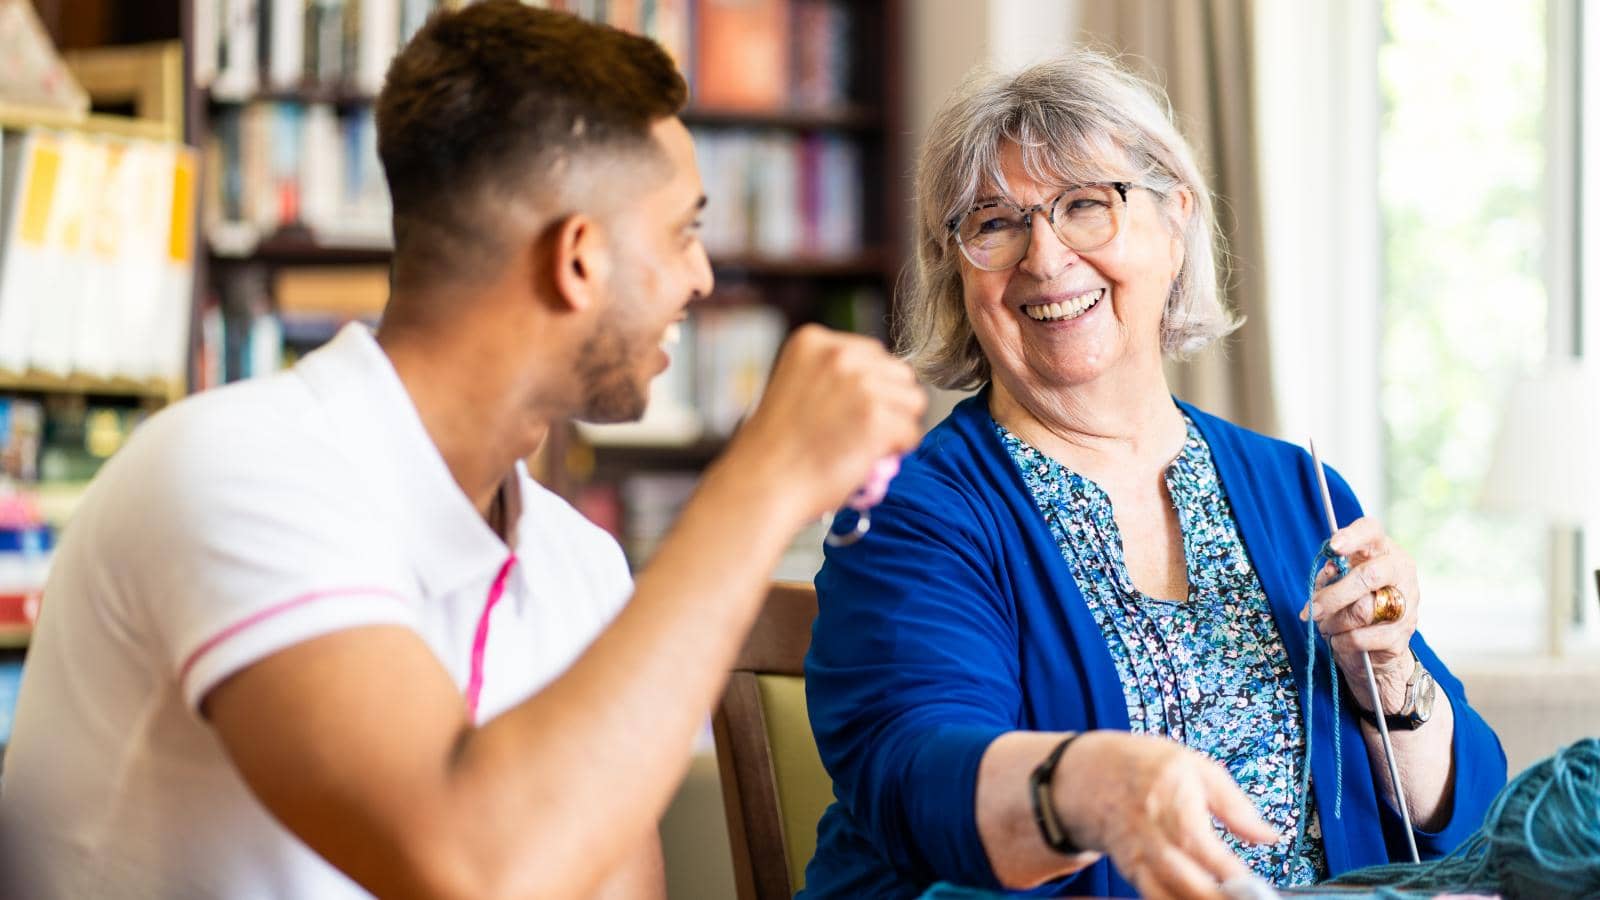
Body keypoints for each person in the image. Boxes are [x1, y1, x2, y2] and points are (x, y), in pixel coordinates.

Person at [0, 4, 926, 898]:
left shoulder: (580, 565)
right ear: (578, 259)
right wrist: (763, 483)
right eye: (684, 229)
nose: (702, 275)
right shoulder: (233, 469)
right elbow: (466, 864)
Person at [801, 51, 1506, 900]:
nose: (1047, 259)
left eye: (1086, 206)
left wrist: (1386, 679)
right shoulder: (911, 514)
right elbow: (913, 772)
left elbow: (1468, 825)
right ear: (956, 269)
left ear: (1176, 222)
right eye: (994, 224)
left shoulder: (1300, 489)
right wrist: (1083, 786)